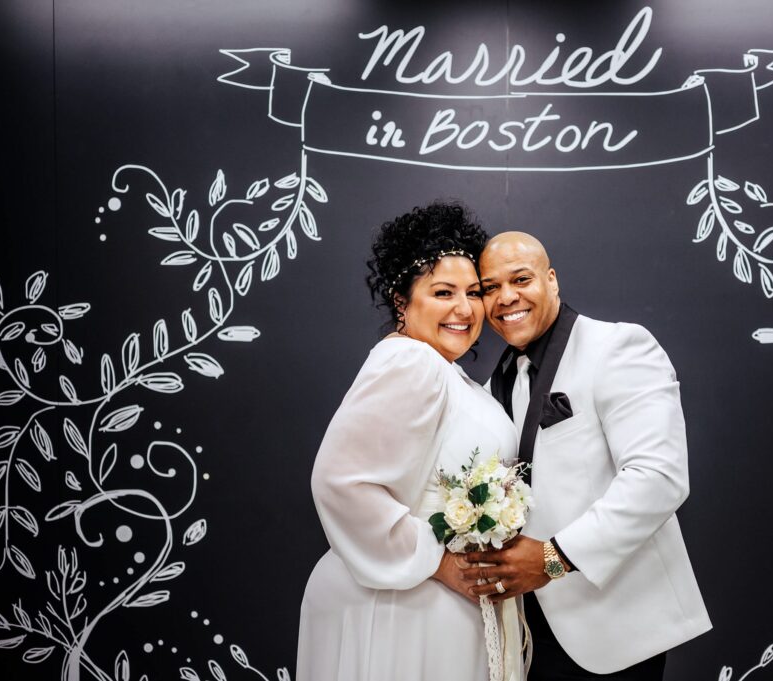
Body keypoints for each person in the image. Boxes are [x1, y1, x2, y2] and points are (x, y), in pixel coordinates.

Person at [464, 232, 712, 680]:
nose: (506, 298)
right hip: (521, 633)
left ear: (552, 280)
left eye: (521, 279)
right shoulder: (490, 384)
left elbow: (659, 478)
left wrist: (553, 559)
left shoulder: (618, 346)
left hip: (611, 625)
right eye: (489, 288)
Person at [296, 203, 521, 681]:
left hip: (433, 606)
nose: (465, 309)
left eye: (473, 292)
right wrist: (439, 561)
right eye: (443, 292)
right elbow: (341, 482)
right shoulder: (410, 363)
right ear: (402, 300)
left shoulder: (448, 373)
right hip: (402, 604)